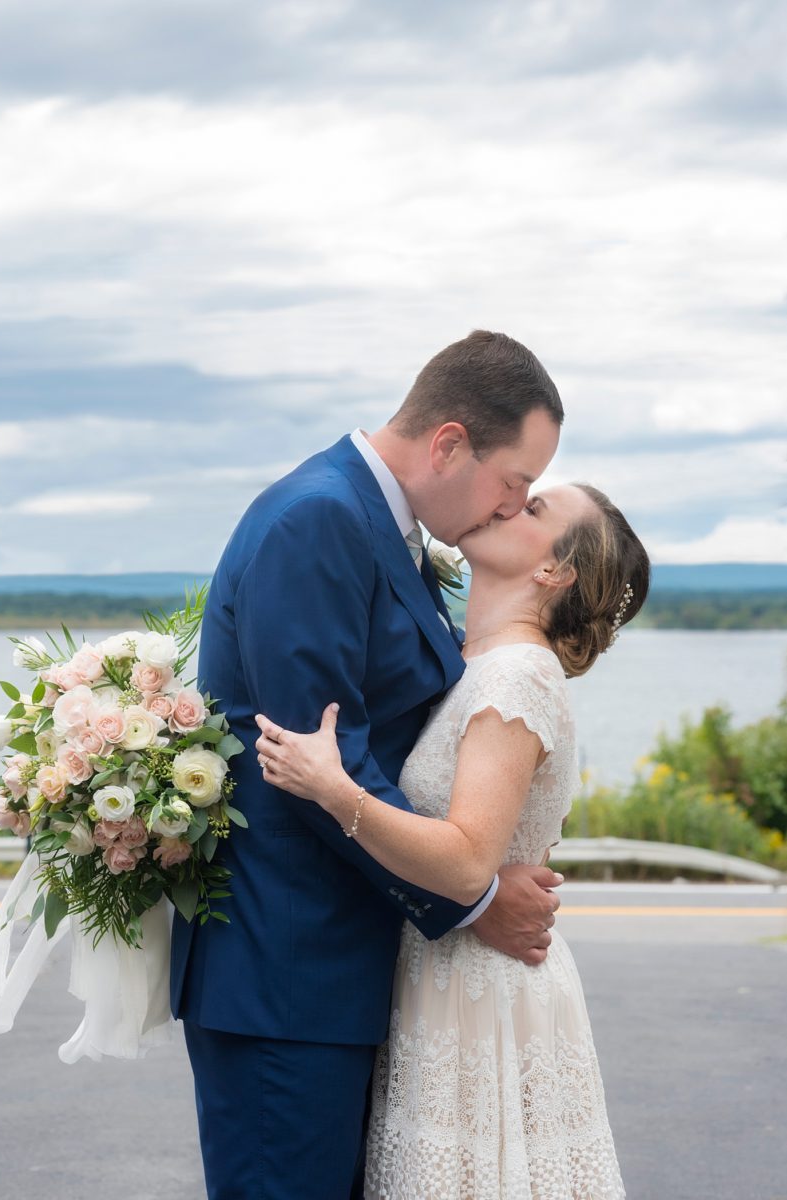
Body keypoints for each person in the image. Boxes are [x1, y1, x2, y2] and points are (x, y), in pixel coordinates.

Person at [170, 330, 566, 1200]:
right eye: (514, 483)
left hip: (337, 967)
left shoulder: (376, 522)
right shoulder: (320, 518)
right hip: (287, 973)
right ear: (449, 443)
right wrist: (476, 899)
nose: (510, 508)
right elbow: (316, 760)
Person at [255, 481, 650, 1199]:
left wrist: (332, 788)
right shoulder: (472, 660)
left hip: (480, 991)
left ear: (553, 572)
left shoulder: (518, 674)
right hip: (440, 978)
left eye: (533, 509)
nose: (506, 503)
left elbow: (468, 863)